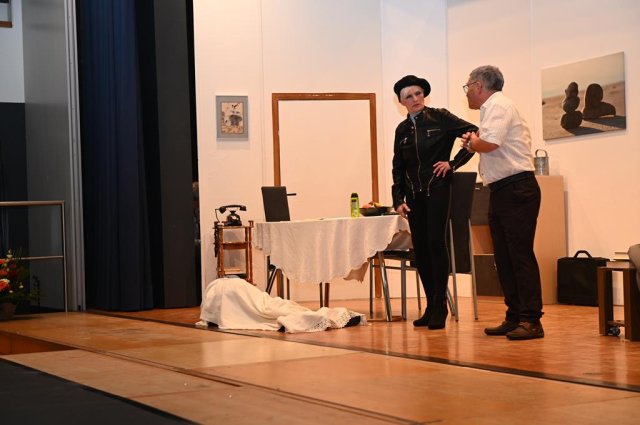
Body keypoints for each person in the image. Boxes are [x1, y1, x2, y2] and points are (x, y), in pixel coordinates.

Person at [461, 65, 544, 340]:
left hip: (516, 188)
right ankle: (515, 316)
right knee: (505, 257)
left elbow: (490, 144)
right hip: (502, 190)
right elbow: (487, 143)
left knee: (519, 255)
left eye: (468, 87)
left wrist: (473, 142)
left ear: (479, 86)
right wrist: (475, 141)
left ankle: (532, 320)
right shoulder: (491, 108)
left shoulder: (499, 105)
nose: (467, 93)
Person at [391, 75, 478, 330]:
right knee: (421, 249)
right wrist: (397, 199)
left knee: (436, 244)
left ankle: (440, 305)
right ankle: (431, 305)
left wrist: (453, 163)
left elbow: (474, 133)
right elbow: (398, 166)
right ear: (402, 102)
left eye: (418, 93)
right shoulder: (402, 130)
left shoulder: (440, 117)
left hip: (438, 189)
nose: (415, 99)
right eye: (409, 96)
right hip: (413, 196)